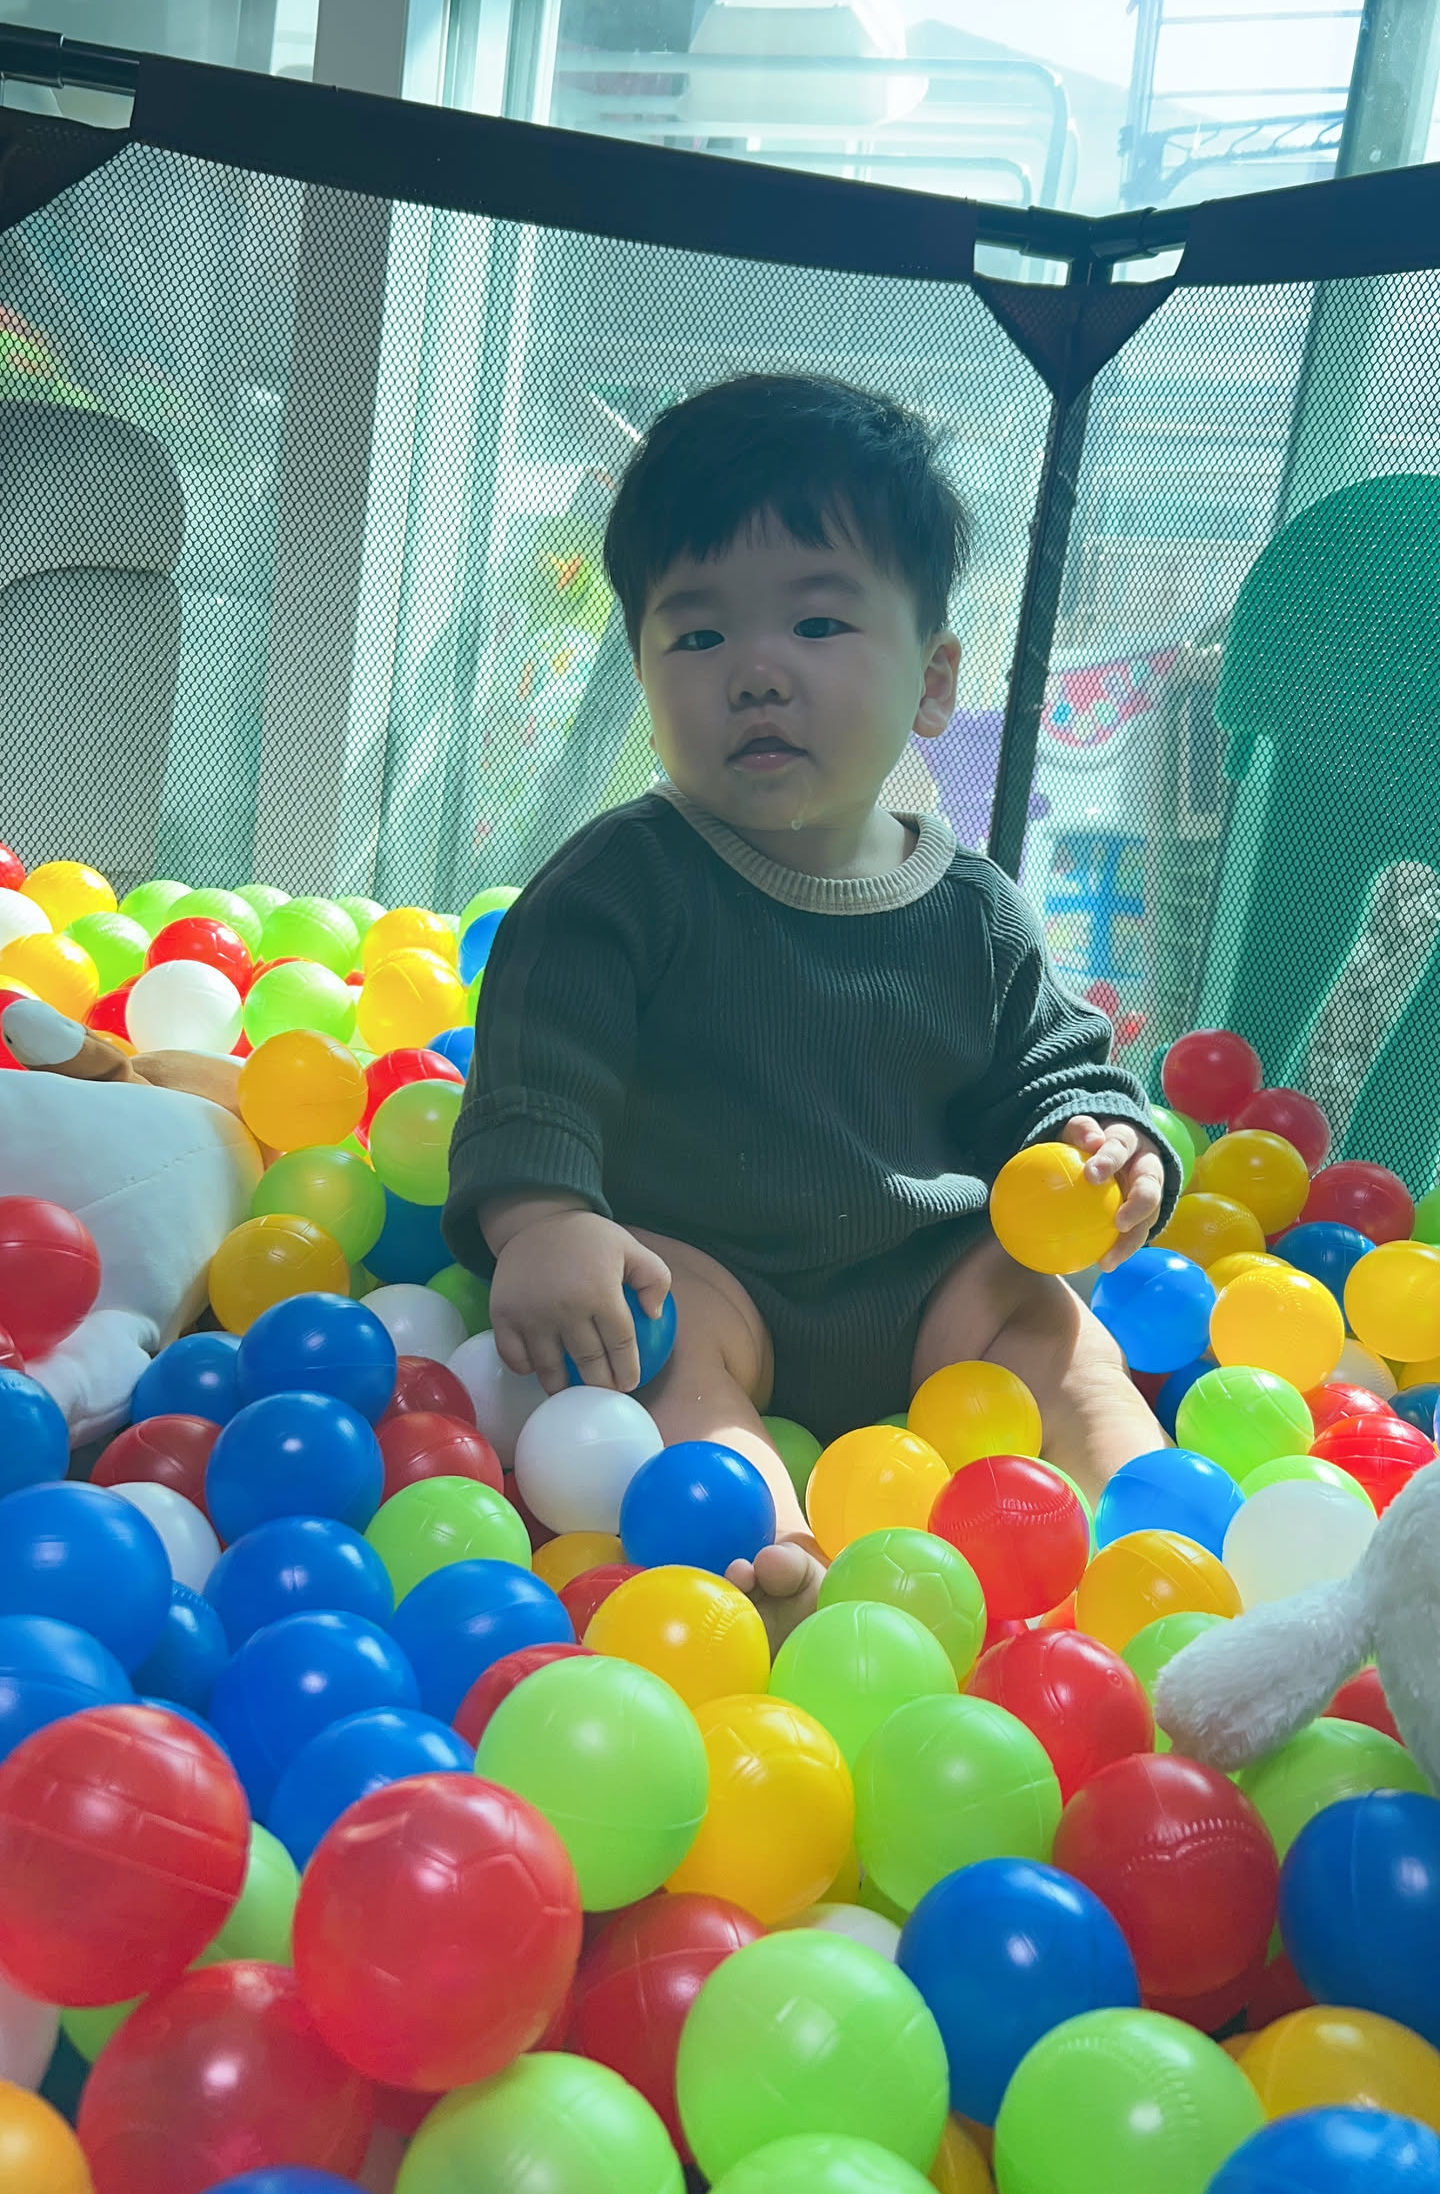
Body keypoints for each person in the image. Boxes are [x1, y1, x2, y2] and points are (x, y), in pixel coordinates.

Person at [443, 373, 1177, 1640]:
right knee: (661, 1342)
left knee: (1058, 1337)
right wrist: (547, 1218)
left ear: (933, 682)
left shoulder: (977, 908)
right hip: (716, 1267)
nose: (757, 673)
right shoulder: (622, 882)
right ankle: (772, 1558)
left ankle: (1153, 1561)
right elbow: (534, 1069)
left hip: (933, 1280)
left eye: (820, 623)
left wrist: (1105, 1142)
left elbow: (1055, 1067)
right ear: (643, 676)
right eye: (698, 637)